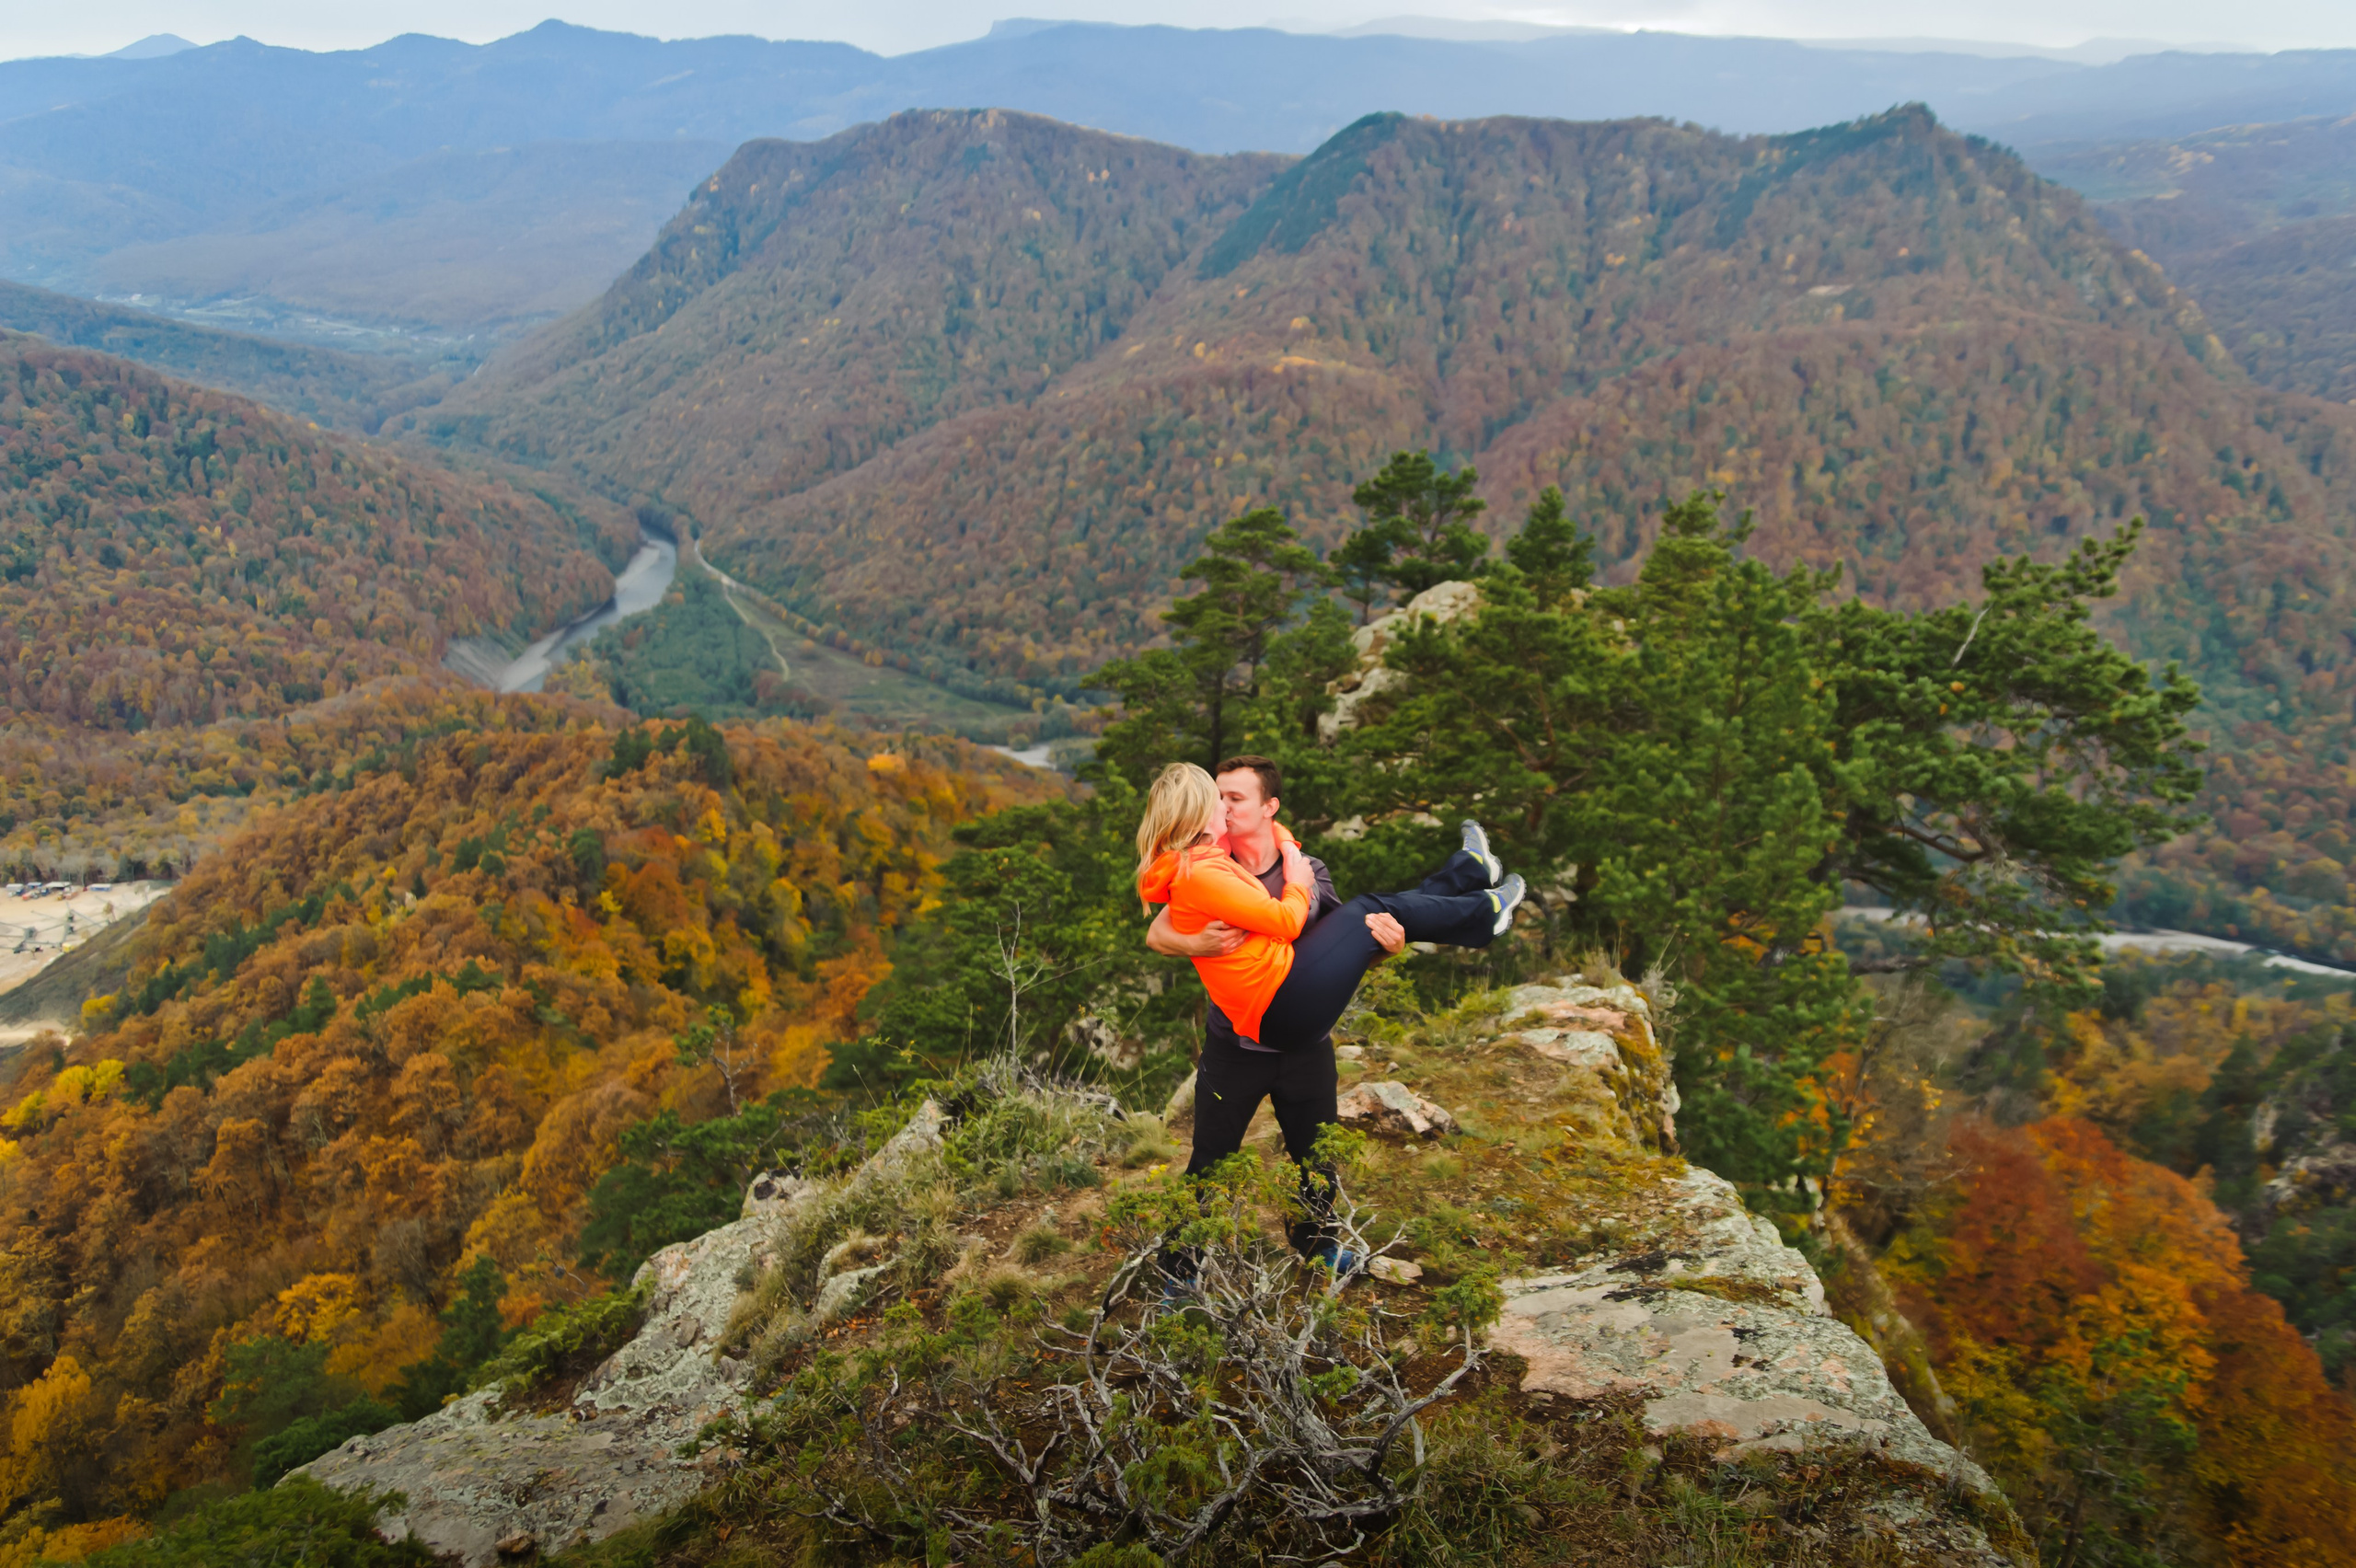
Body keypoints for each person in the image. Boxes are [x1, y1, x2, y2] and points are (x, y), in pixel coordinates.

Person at [1136, 759, 1523, 1267]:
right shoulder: (1210, 863)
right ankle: (1179, 1271)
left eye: (1236, 799)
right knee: (1210, 1158)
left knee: (1316, 1152)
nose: (1225, 808)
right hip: (1238, 1045)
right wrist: (1194, 942)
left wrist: (1392, 944)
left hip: (1303, 1035)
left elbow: (1343, 950)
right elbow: (1158, 929)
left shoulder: (1307, 869)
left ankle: (1317, 1245)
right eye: (1218, 798)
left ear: (1270, 809)